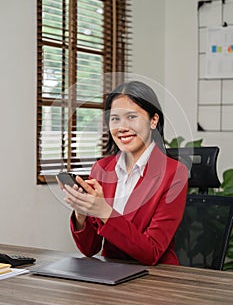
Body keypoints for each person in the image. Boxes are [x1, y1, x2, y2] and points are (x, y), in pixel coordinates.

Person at [60, 81, 188, 266]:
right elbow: (89, 249)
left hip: (158, 280)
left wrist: (104, 211)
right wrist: (82, 214)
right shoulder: (101, 169)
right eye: (115, 119)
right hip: (112, 275)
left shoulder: (174, 173)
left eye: (132, 117)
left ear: (153, 120)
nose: (122, 127)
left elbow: (152, 252)